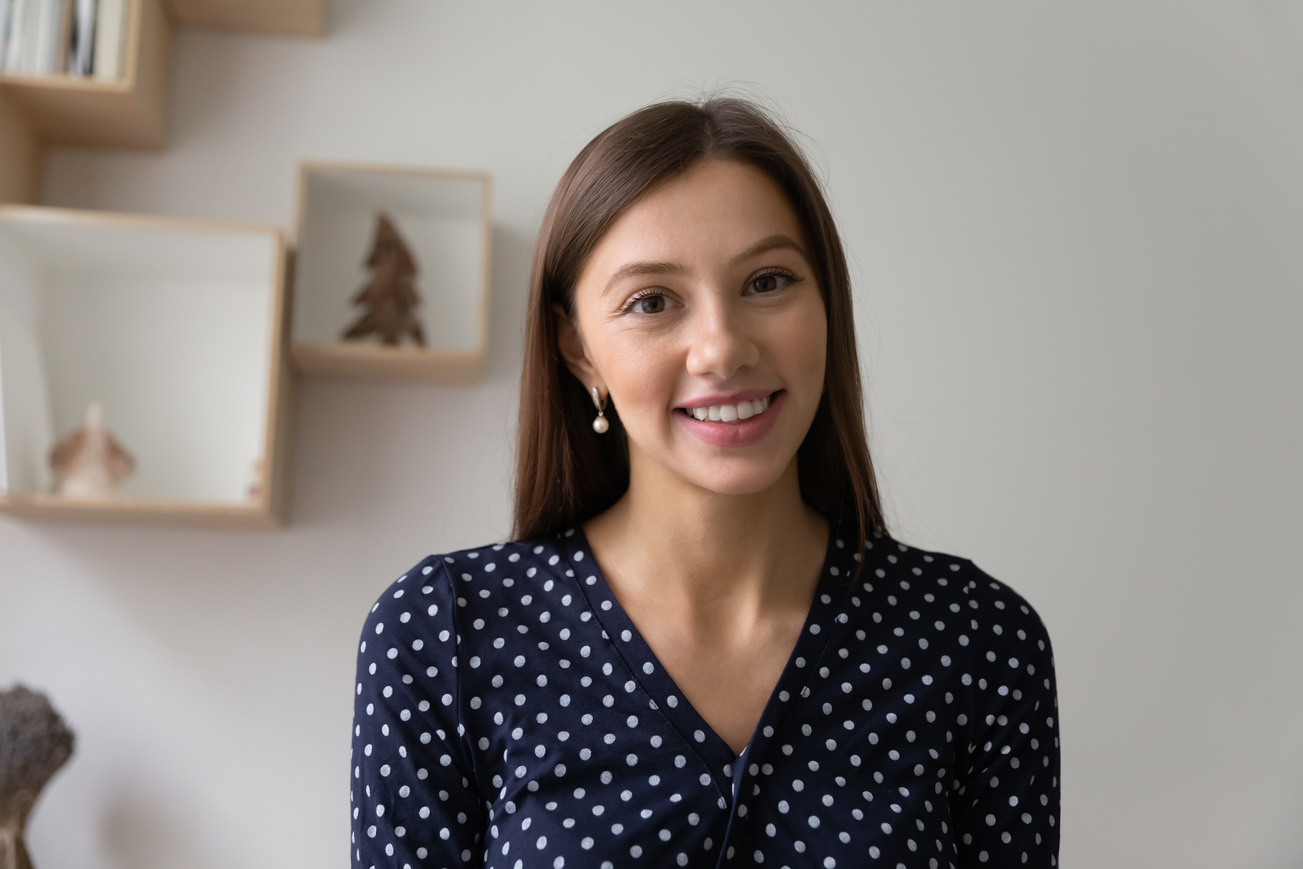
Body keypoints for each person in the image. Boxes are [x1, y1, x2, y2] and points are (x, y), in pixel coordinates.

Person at [350, 97, 1060, 869]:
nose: (721, 348)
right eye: (651, 301)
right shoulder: (441, 634)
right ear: (579, 351)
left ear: (827, 305)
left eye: (767, 281)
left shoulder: (978, 640)